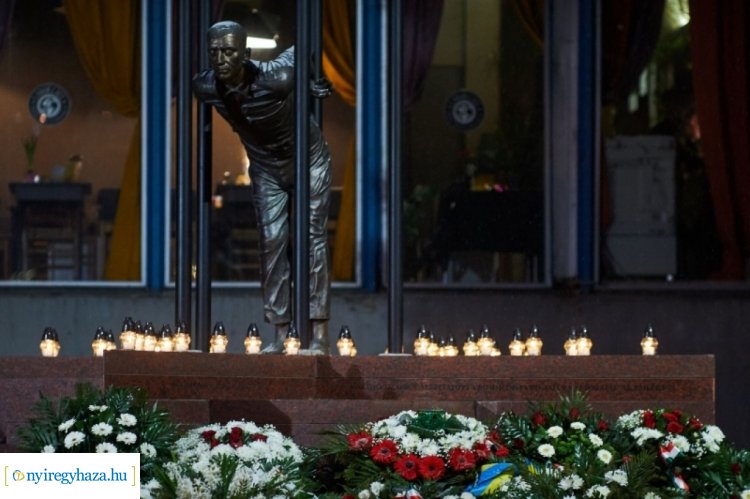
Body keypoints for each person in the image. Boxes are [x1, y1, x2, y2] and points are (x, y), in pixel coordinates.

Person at [193, 20, 332, 354]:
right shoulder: (206, 86)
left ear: (246, 54)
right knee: (271, 243)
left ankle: (319, 334)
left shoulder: (277, 77)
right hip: (266, 168)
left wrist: (311, 80)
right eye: (214, 52)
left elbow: (307, 42)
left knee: (312, 239)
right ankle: (281, 333)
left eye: (229, 51)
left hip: (308, 159)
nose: (221, 59)